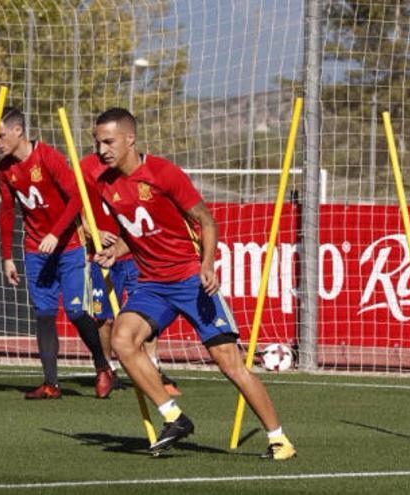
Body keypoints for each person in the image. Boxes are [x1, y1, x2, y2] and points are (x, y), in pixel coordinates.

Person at [86, 107, 295, 459]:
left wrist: (207, 264)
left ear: (129, 139)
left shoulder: (164, 173)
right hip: (151, 285)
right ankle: (174, 417)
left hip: (190, 280)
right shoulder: (106, 185)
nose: (102, 149)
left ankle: (279, 439)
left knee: (230, 364)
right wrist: (115, 250)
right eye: (97, 142)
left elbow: (206, 221)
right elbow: (136, 230)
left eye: (108, 141)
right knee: (122, 340)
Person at [0, 106, 112, 399]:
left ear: (18, 131)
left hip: (69, 247)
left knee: (75, 310)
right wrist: (7, 256)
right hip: (36, 252)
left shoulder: (48, 157)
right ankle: (51, 383)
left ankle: (103, 367)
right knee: (44, 314)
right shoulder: (4, 168)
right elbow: (7, 211)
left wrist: (55, 232)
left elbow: (76, 199)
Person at [80, 155, 181, 396]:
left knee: (147, 315)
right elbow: (74, 206)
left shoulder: (133, 166)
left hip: (137, 255)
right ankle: (107, 368)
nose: (106, 146)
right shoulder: (85, 168)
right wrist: (91, 231)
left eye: (110, 140)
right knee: (104, 318)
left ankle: (153, 367)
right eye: (102, 140)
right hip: (102, 256)